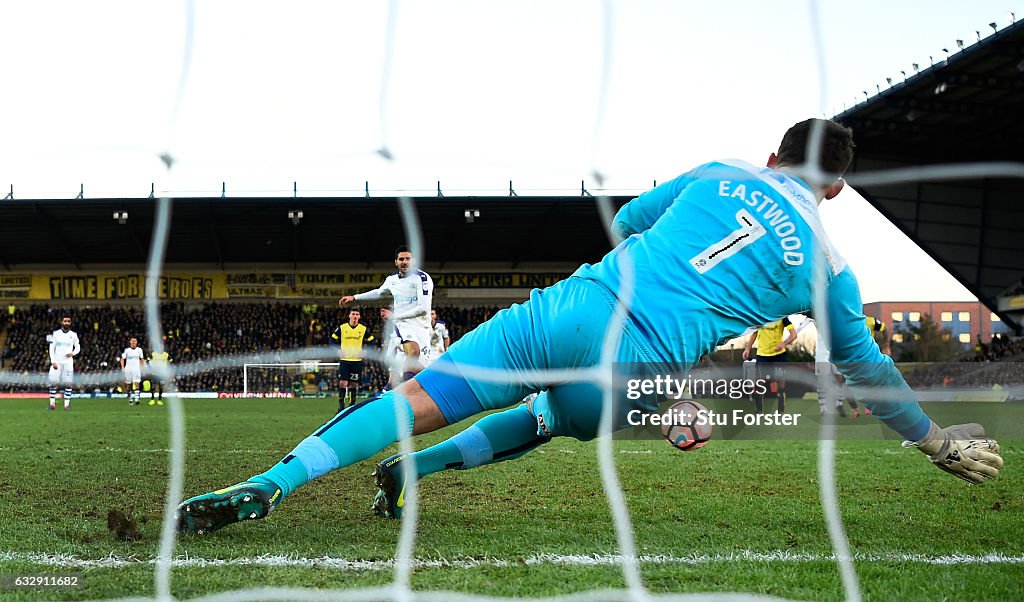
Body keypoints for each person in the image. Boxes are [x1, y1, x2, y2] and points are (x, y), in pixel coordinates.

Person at [177, 118, 1003, 534]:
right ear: (836, 191)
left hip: (573, 307)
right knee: (551, 418)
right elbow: (866, 370)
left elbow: (632, 219)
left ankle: (272, 484)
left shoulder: (721, 172)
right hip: (638, 368)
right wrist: (933, 441)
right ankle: (413, 476)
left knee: (425, 394)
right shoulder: (830, 268)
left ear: (776, 155)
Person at [339, 246, 433, 383]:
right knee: (413, 352)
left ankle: (390, 392)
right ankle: (406, 395)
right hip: (403, 325)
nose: (405, 262)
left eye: (408, 259)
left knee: (419, 369)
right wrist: (355, 297)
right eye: (401, 259)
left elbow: (423, 309)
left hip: (422, 327)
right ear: (396, 262)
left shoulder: (422, 278)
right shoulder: (392, 280)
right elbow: (378, 292)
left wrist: (394, 316)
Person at [743, 317, 797, 413]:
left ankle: (780, 410)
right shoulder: (760, 316)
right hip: (762, 355)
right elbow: (754, 334)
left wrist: (783, 344)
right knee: (759, 383)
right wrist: (748, 348)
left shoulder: (782, 318)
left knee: (780, 383)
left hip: (778, 355)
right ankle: (759, 410)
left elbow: (793, 334)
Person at [330, 308, 375, 412]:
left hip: (357, 361)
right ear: (349, 316)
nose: (355, 316)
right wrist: (337, 351)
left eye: (357, 314)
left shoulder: (363, 329)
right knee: (343, 383)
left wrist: (366, 352)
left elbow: (372, 342)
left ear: (359, 317)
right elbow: (332, 340)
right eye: (353, 314)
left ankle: (351, 407)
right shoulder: (342, 328)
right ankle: (341, 407)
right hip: (345, 360)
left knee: (353, 384)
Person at [47, 315, 80, 411]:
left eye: (68, 321)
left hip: (68, 363)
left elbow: (78, 347)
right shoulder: (56, 334)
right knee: (53, 383)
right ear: (61, 322)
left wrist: (73, 353)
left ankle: (67, 405)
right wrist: (53, 361)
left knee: (68, 384)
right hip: (57, 362)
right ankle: (52, 404)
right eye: (65, 321)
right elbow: (51, 348)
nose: (66, 323)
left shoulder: (73, 335)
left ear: (70, 323)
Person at [121, 337, 145, 407]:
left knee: (136, 383)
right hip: (128, 369)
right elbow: (122, 359)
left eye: (135, 342)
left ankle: (137, 399)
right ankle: (130, 398)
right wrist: (123, 367)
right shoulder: (127, 350)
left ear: (136, 343)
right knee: (129, 385)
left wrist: (142, 367)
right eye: (132, 342)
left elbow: (142, 359)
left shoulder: (139, 350)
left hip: (136, 369)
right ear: (130, 342)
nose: (134, 343)